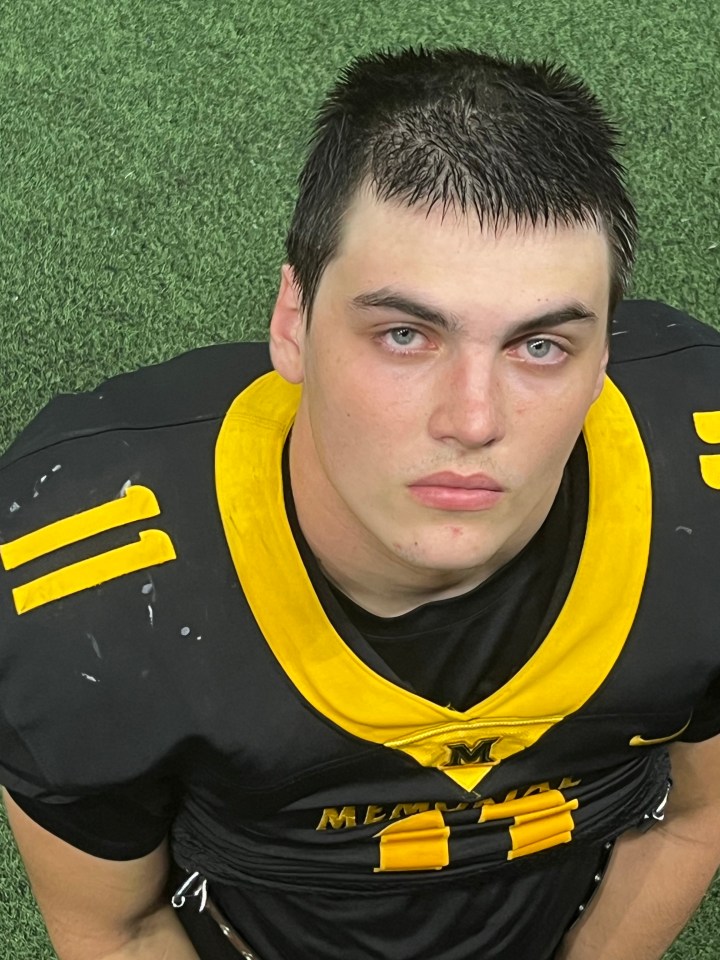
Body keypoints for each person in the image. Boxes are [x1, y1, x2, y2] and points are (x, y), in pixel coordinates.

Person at [1, 44, 719, 960]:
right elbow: (118, 925)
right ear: (293, 322)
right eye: (406, 334)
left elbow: (695, 821)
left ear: (604, 355)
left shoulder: (703, 495)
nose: (473, 419)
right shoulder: (82, 587)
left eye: (541, 346)